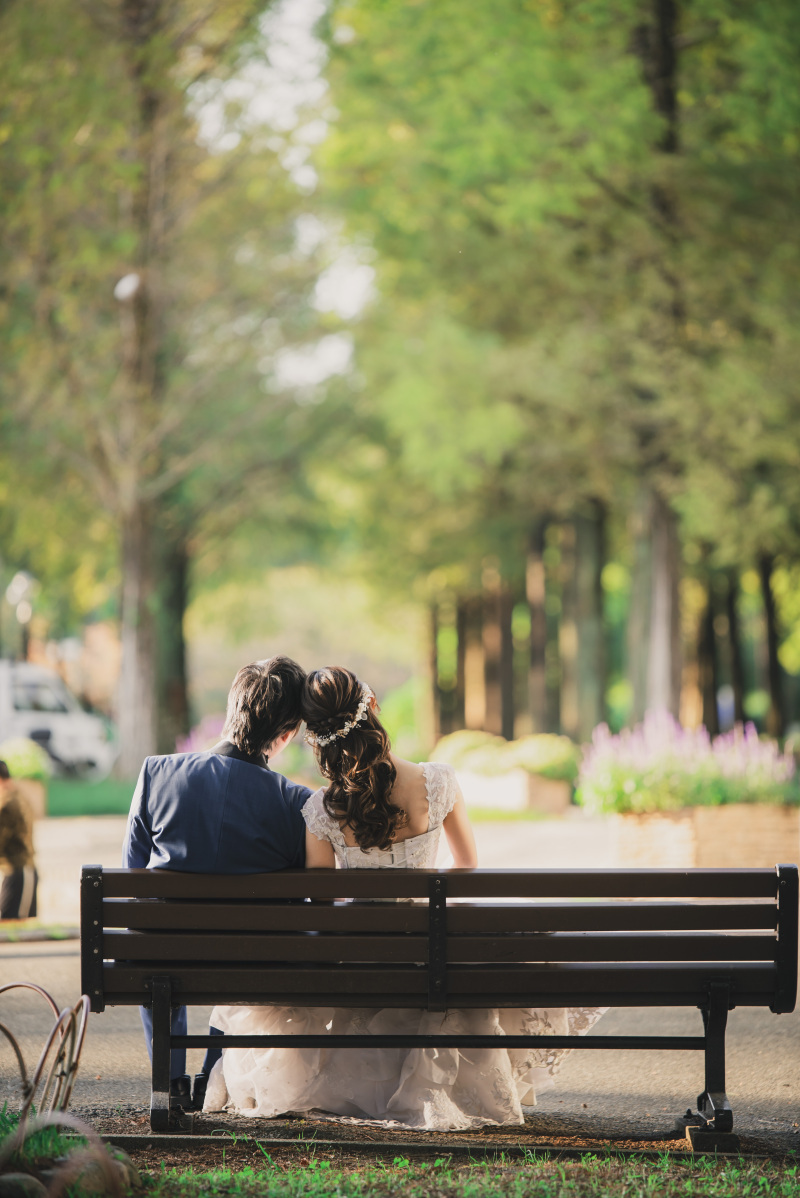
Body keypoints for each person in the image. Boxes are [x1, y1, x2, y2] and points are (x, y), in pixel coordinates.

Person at [205, 666, 606, 1130]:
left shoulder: (321, 810)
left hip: (363, 969)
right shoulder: (438, 783)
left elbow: (320, 904)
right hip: (430, 961)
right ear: (371, 705)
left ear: (317, 738)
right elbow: (466, 868)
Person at [122, 655, 310, 1111]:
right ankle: (211, 1074)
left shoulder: (156, 774)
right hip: (257, 964)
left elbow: (132, 875)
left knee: (155, 942)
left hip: (167, 957)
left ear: (231, 710)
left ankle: (167, 1084)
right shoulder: (295, 803)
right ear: (284, 735)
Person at [0, 759, 38, 921]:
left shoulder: (9, 803)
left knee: (14, 923)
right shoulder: (17, 796)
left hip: (20, 871)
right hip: (20, 870)